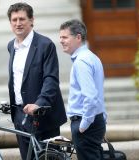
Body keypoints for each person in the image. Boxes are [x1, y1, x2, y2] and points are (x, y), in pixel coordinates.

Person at [6, 2, 67, 159]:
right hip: (20, 116)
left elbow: (51, 80)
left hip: (43, 117)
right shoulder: (11, 46)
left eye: (22, 19)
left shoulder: (45, 45)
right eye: (14, 20)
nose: (18, 23)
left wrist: (39, 104)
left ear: (32, 20)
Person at [59, 19, 107, 160]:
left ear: (78, 37)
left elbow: (91, 97)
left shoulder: (81, 61)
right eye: (60, 37)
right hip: (94, 121)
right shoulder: (92, 57)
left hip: (86, 123)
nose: (61, 41)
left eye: (65, 37)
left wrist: (83, 125)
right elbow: (98, 92)